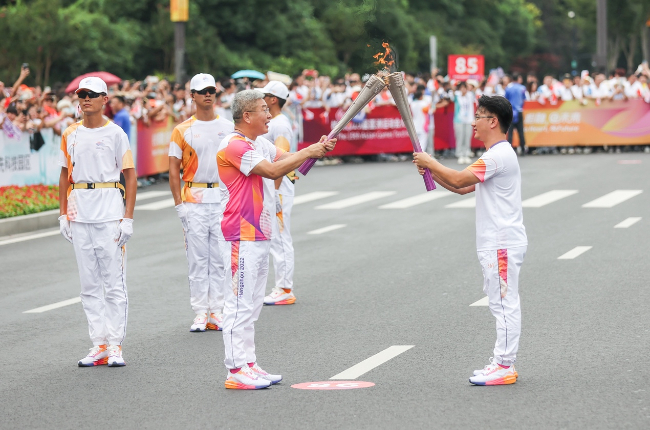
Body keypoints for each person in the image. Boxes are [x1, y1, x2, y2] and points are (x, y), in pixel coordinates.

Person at [217, 90, 335, 389]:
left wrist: (316, 148)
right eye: (263, 109)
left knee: (253, 304)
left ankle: (248, 363)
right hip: (241, 234)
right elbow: (271, 171)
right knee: (239, 303)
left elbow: (286, 159)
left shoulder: (259, 143)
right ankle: (235, 370)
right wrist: (309, 152)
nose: (269, 114)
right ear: (247, 116)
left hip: (260, 232)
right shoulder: (233, 145)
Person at [413, 95, 527, 386]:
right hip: (497, 241)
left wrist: (430, 161)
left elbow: (460, 180)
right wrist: (431, 170)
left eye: (478, 116)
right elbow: (461, 187)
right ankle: (502, 363)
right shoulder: (495, 154)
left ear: (493, 121)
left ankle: (504, 365)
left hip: (501, 242)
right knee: (500, 303)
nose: (473, 122)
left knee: (504, 305)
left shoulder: (497, 156)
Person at [58, 77, 137, 367]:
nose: (85, 99)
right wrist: (63, 213)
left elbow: (130, 176)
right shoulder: (70, 133)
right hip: (80, 210)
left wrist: (127, 218)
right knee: (89, 283)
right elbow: (64, 174)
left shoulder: (116, 133)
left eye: (92, 94)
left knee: (113, 282)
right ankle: (99, 343)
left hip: (109, 211)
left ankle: (115, 344)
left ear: (105, 99)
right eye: (82, 94)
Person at [168, 73, 234, 332]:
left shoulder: (228, 127)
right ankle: (199, 312)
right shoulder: (182, 130)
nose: (208, 94)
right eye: (202, 91)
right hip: (194, 198)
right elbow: (173, 170)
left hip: (221, 197)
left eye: (211, 90)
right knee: (197, 259)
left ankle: (216, 311)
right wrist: (179, 205)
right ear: (192, 96)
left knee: (219, 257)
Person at [256, 81, 298, 306]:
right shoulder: (272, 122)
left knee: (280, 238)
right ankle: (281, 286)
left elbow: (281, 159)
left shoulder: (280, 124)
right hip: (272, 186)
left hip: (278, 187)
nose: (261, 99)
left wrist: (274, 192)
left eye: (265, 96)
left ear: (273, 100)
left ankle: (285, 288)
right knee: (274, 237)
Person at [504, 74, 527, 156]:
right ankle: (523, 149)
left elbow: (505, 99)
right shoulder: (522, 88)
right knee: (521, 131)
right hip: (519, 111)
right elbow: (524, 99)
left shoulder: (508, 88)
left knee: (510, 132)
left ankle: (509, 150)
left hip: (511, 111)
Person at [453, 81, 475, 164]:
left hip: (469, 120)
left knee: (467, 137)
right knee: (460, 137)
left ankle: (466, 154)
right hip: (459, 120)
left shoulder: (470, 95)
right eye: (461, 88)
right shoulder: (457, 95)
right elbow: (452, 89)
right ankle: (460, 154)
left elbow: (474, 88)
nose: (463, 89)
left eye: (464, 88)